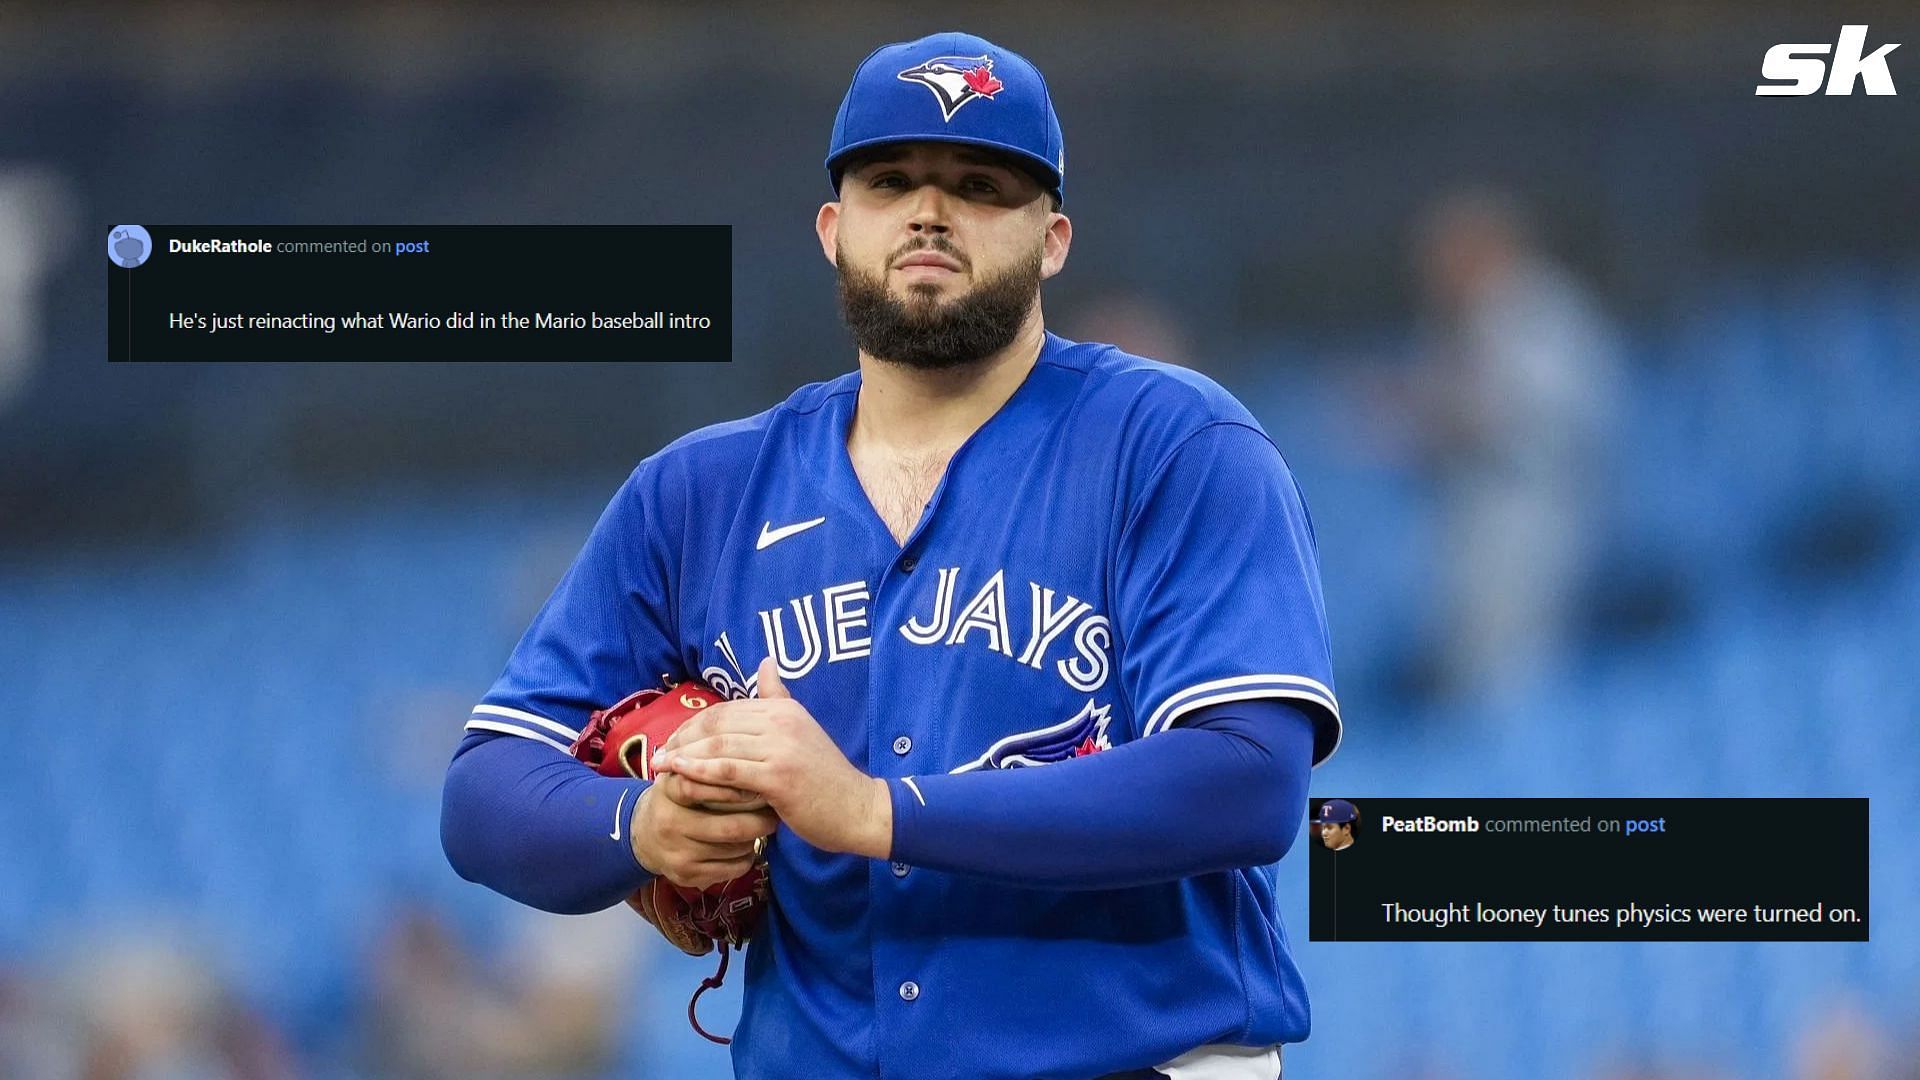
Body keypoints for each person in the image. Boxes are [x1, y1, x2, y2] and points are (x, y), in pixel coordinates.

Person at [442, 31, 1341, 1080]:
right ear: (835, 228)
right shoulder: (699, 493)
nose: (930, 211)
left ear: (1052, 238)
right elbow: (485, 788)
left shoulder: (1174, 444)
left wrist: (872, 811)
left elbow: (1247, 784)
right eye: (890, 180)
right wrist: (644, 825)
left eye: (979, 184)